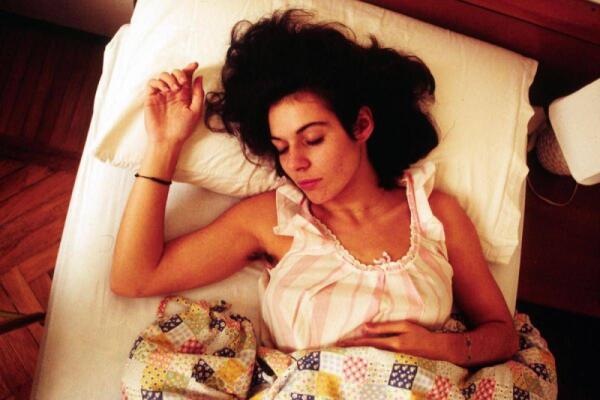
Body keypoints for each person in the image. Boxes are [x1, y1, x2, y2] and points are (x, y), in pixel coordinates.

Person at [110, 10, 518, 367]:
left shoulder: (435, 214)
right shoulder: (273, 220)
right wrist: (165, 145)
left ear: (361, 125)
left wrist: (441, 347)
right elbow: (135, 278)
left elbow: (502, 333)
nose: (296, 163)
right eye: (282, 147)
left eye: (313, 139)